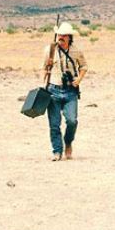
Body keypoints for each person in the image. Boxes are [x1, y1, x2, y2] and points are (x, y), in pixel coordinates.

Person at [42, 21, 88, 161]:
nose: (60, 37)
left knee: (72, 121)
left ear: (69, 37)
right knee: (54, 124)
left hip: (70, 91)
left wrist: (79, 79)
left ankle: (68, 142)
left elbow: (84, 66)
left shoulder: (76, 51)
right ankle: (57, 151)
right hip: (53, 90)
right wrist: (43, 81)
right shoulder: (49, 50)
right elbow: (44, 68)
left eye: (64, 35)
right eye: (59, 35)